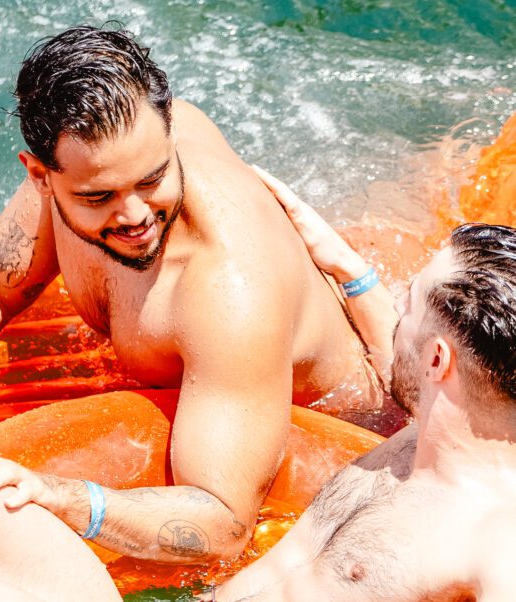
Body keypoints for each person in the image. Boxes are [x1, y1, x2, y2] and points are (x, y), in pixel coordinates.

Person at [0, 25, 380, 600]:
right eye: (98, 197)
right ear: (41, 175)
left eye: (153, 178)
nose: (135, 215)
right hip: (201, 406)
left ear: (168, 132)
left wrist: (61, 495)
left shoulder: (229, 292)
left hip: (316, 448)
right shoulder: (82, 166)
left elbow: (223, 522)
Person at [210, 171, 516, 601]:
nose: (397, 309)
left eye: (408, 301)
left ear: (436, 360)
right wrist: (345, 265)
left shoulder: (495, 539)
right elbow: (403, 365)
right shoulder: (435, 429)